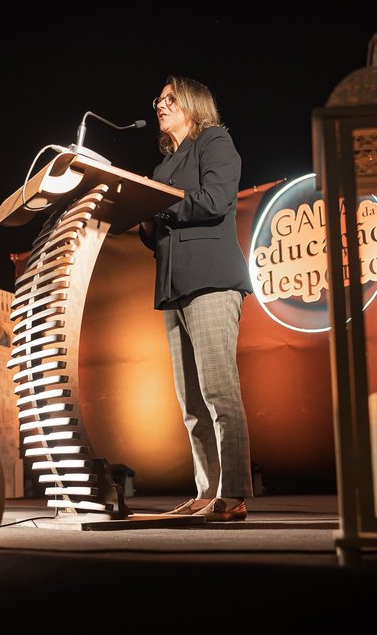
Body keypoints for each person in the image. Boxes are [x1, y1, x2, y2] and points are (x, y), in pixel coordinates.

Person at [139, 75, 254, 522]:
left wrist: (158, 208)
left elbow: (214, 201)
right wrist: (141, 218)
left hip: (210, 281)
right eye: (159, 100)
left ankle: (235, 492)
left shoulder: (215, 140)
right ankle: (207, 492)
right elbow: (159, 230)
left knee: (218, 392)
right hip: (173, 287)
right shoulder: (162, 167)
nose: (161, 106)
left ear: (193, 103)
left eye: (170, 99)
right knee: (190, 403)